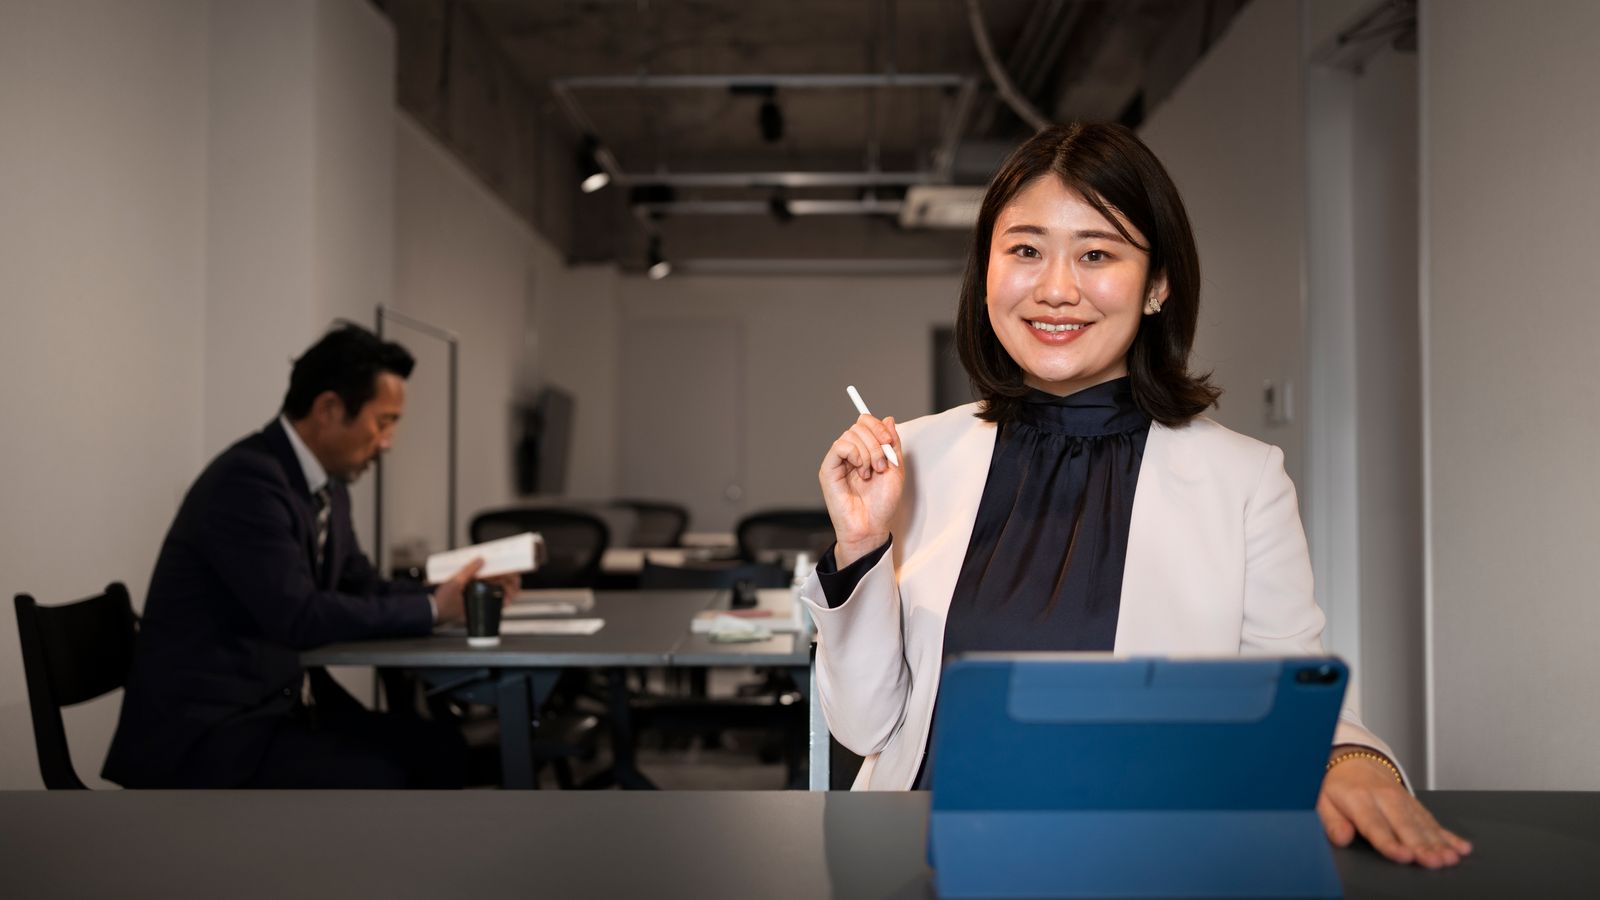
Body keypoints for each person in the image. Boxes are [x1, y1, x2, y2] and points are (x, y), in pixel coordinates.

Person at [806, 123, 1471, 868]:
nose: (1057, 288)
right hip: (927, 857)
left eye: (1097, 254)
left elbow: (1295, 703)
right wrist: (860, 548)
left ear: (1157, 285)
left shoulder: (1245, 480)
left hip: (1143, 862)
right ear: (986, 273)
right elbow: (865, 729)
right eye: (1025, 250)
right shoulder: (915, 457)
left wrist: (1355, 761)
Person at [103, 324, 517, 789]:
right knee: (396, 772)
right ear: (329, 409)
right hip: (210, 736)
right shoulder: (247, 483)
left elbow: (361, 583)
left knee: (440, 748)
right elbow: (297, 616)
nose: (388, 443)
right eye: (383, 422)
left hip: (272, 711)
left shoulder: (325, 486)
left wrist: (451, 595)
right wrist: (430, 610)